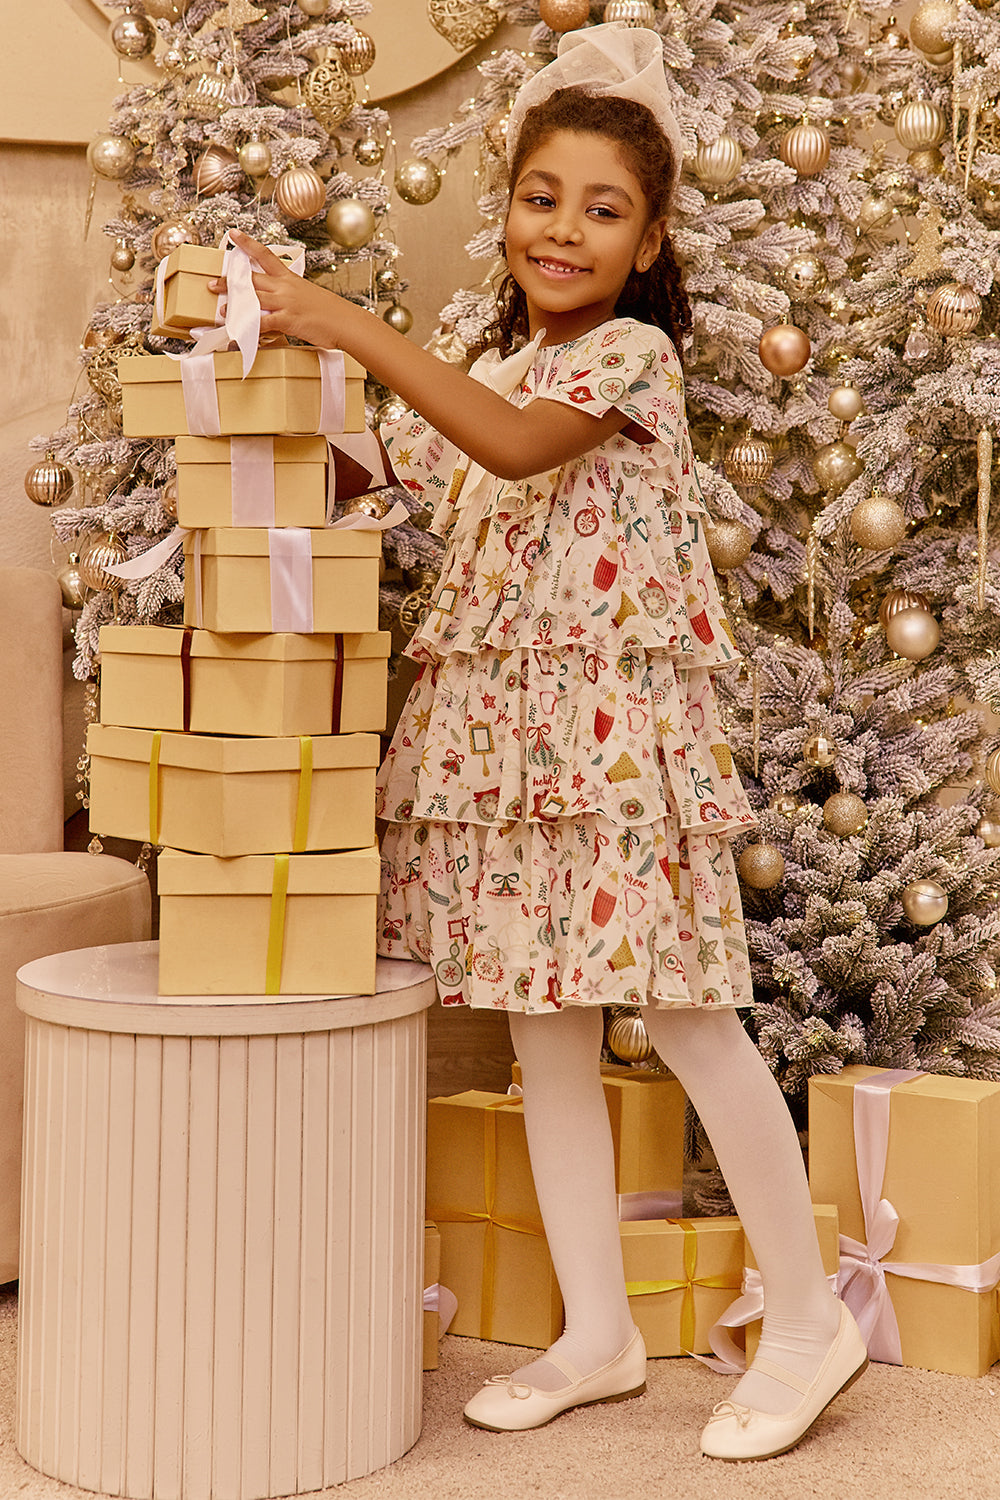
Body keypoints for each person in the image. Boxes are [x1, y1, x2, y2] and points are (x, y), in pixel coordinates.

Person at [216, 23, 867, 1463]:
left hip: (614, 739)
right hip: (503, 748)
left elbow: (510, 445)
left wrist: (346, 323)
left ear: (649, 243)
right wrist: (272, 371)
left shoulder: (632, 359)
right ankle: (598, 1332)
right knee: (543, 1025)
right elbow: (395, 474)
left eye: (603, 208)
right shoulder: (487, 358)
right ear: (506, 206)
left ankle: (811, 1321)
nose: (562, 229)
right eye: (539, 196)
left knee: (687, 1013)